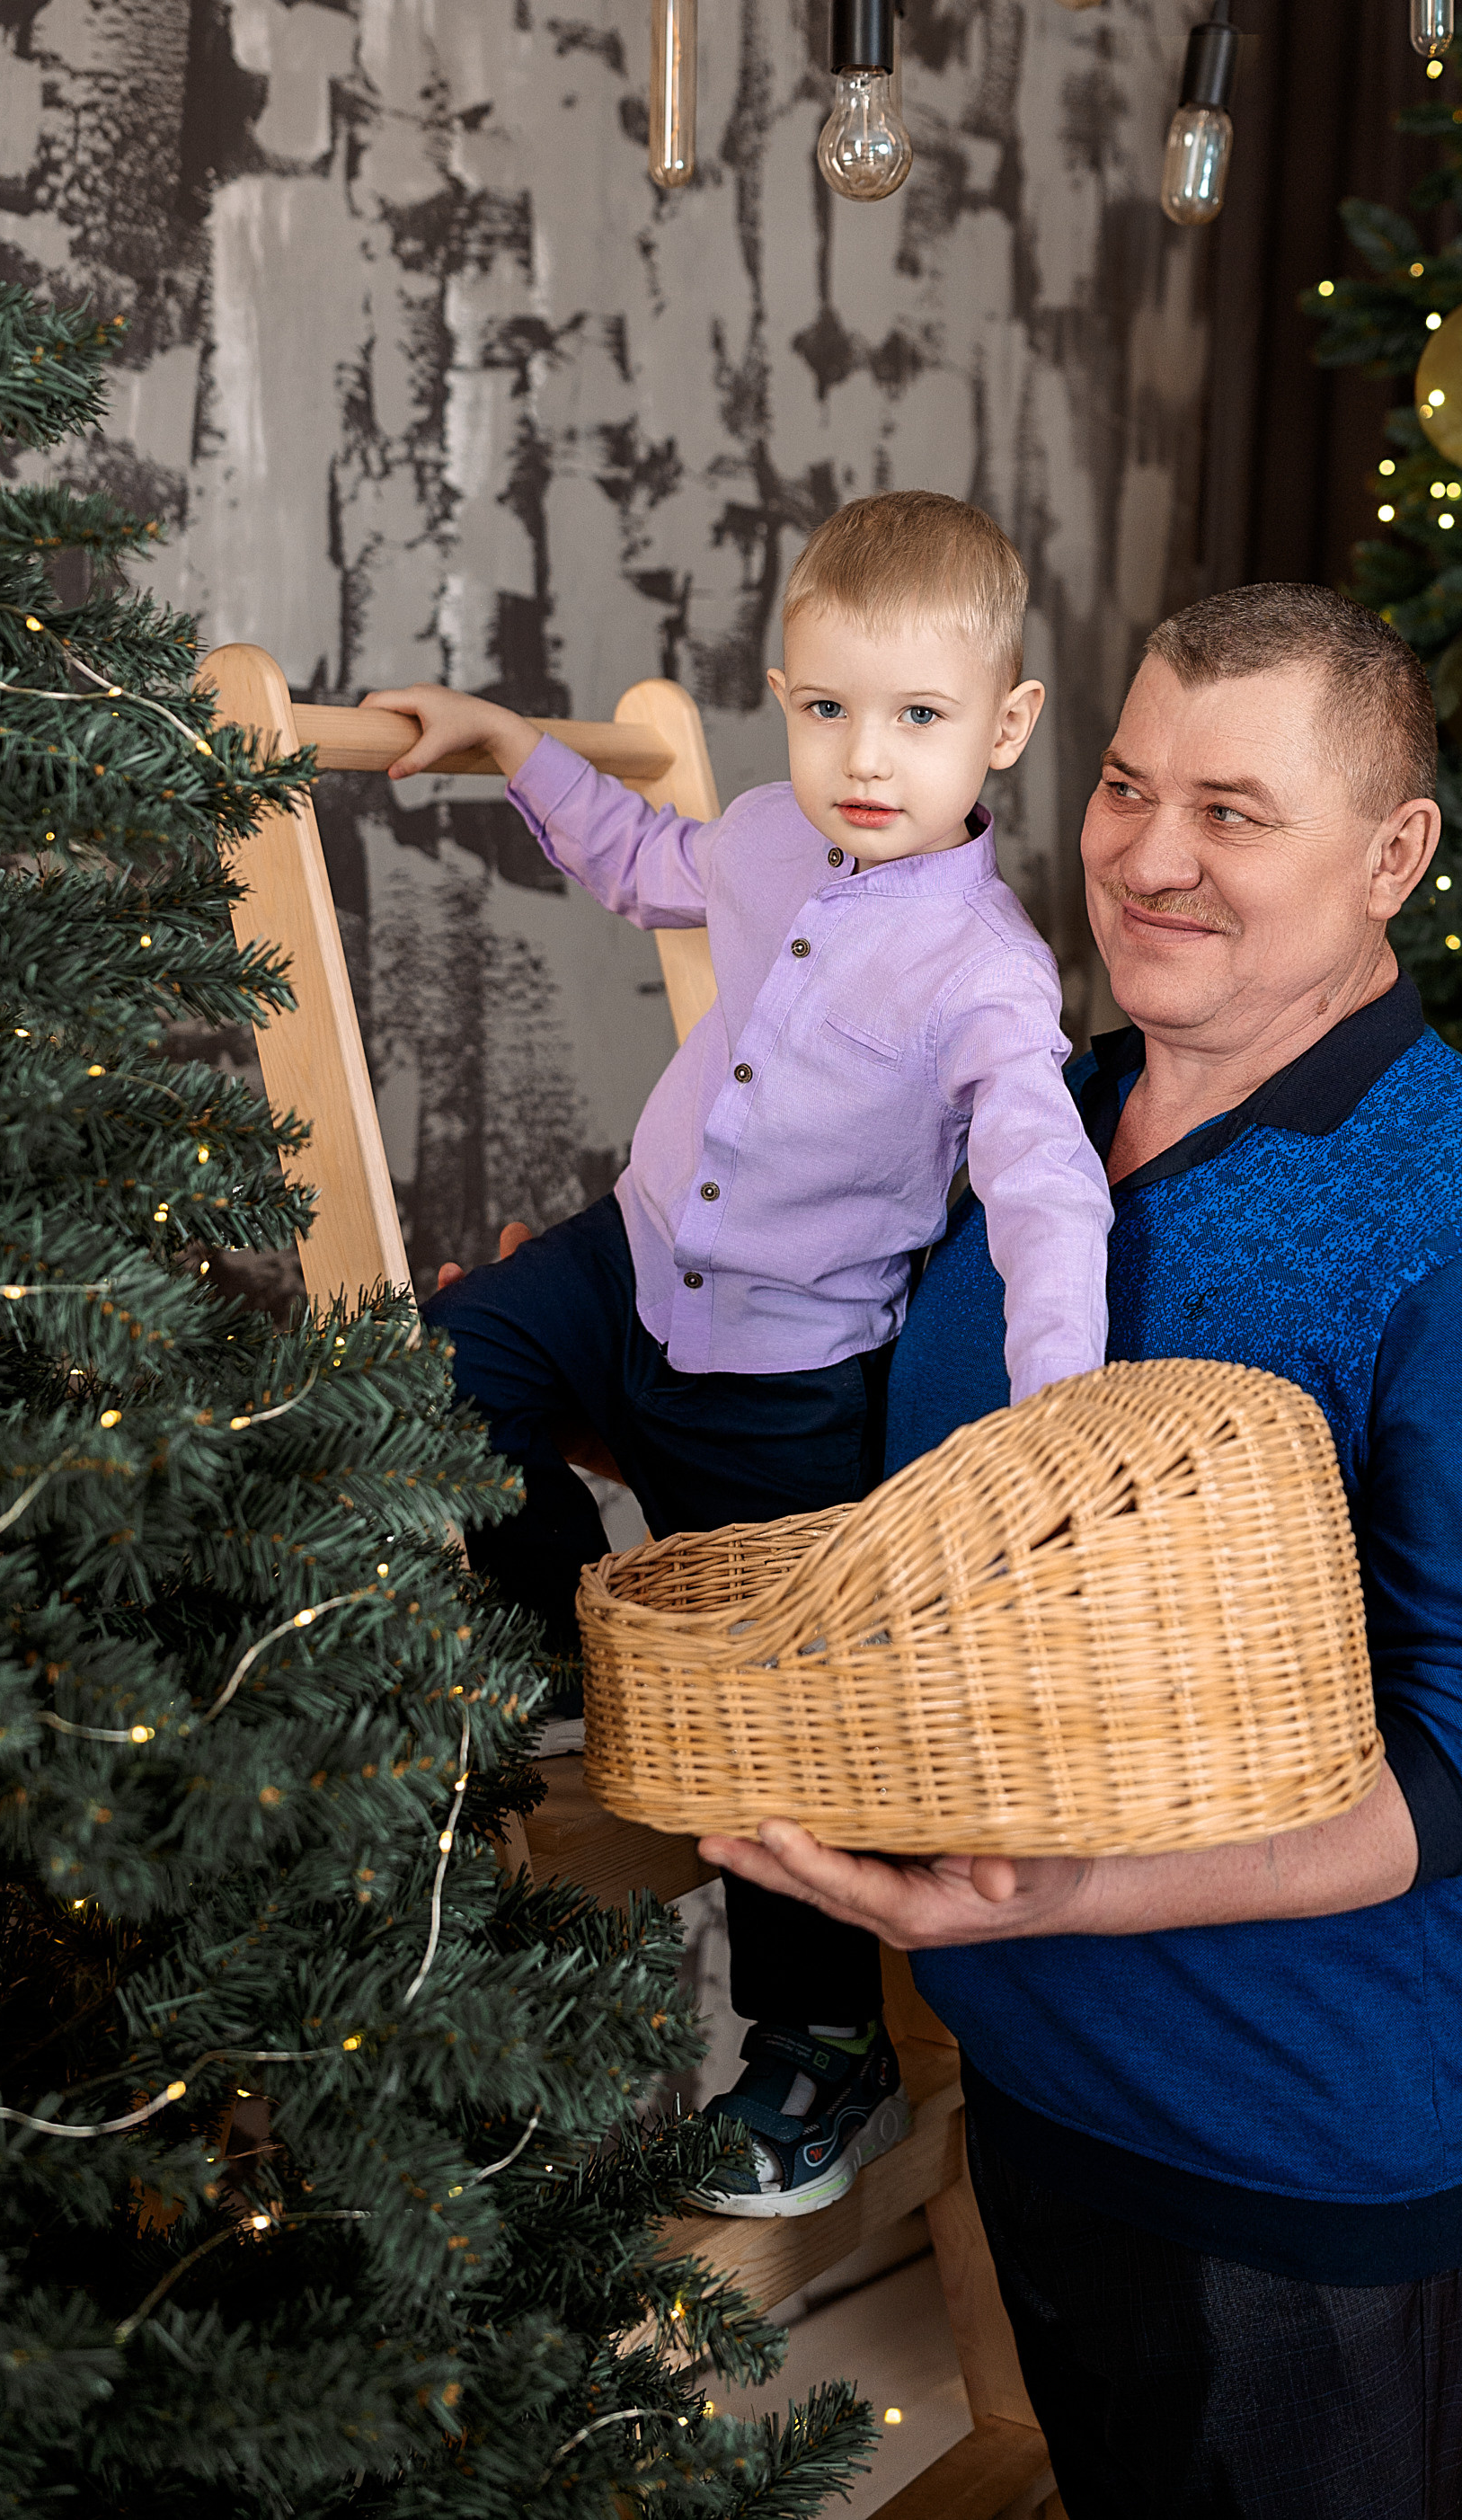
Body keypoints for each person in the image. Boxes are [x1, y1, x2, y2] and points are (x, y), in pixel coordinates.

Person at [699, 582, 1462, 2516]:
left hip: (1316, 2158)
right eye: (1127, 783)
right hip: (1046, 2097)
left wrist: (1071, 1900)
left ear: (1393, 854)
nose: (1145, 855)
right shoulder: (1027, 1126)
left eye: (1234, 809)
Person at [364, 492, 1112, 2218]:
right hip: (626, 1267)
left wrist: (1052, 1411)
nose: (867, 755)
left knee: (785, 1726)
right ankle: (556, 1639)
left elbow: (1040, 1185)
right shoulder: (776, 831)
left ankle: (819, 2054)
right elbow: (645, 866)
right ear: (784, 692)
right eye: (829, 706)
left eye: (919, 718)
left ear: (1001, 727)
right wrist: (505, 747)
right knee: (428, 1374)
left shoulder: (983, 970)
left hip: (785, 1371)